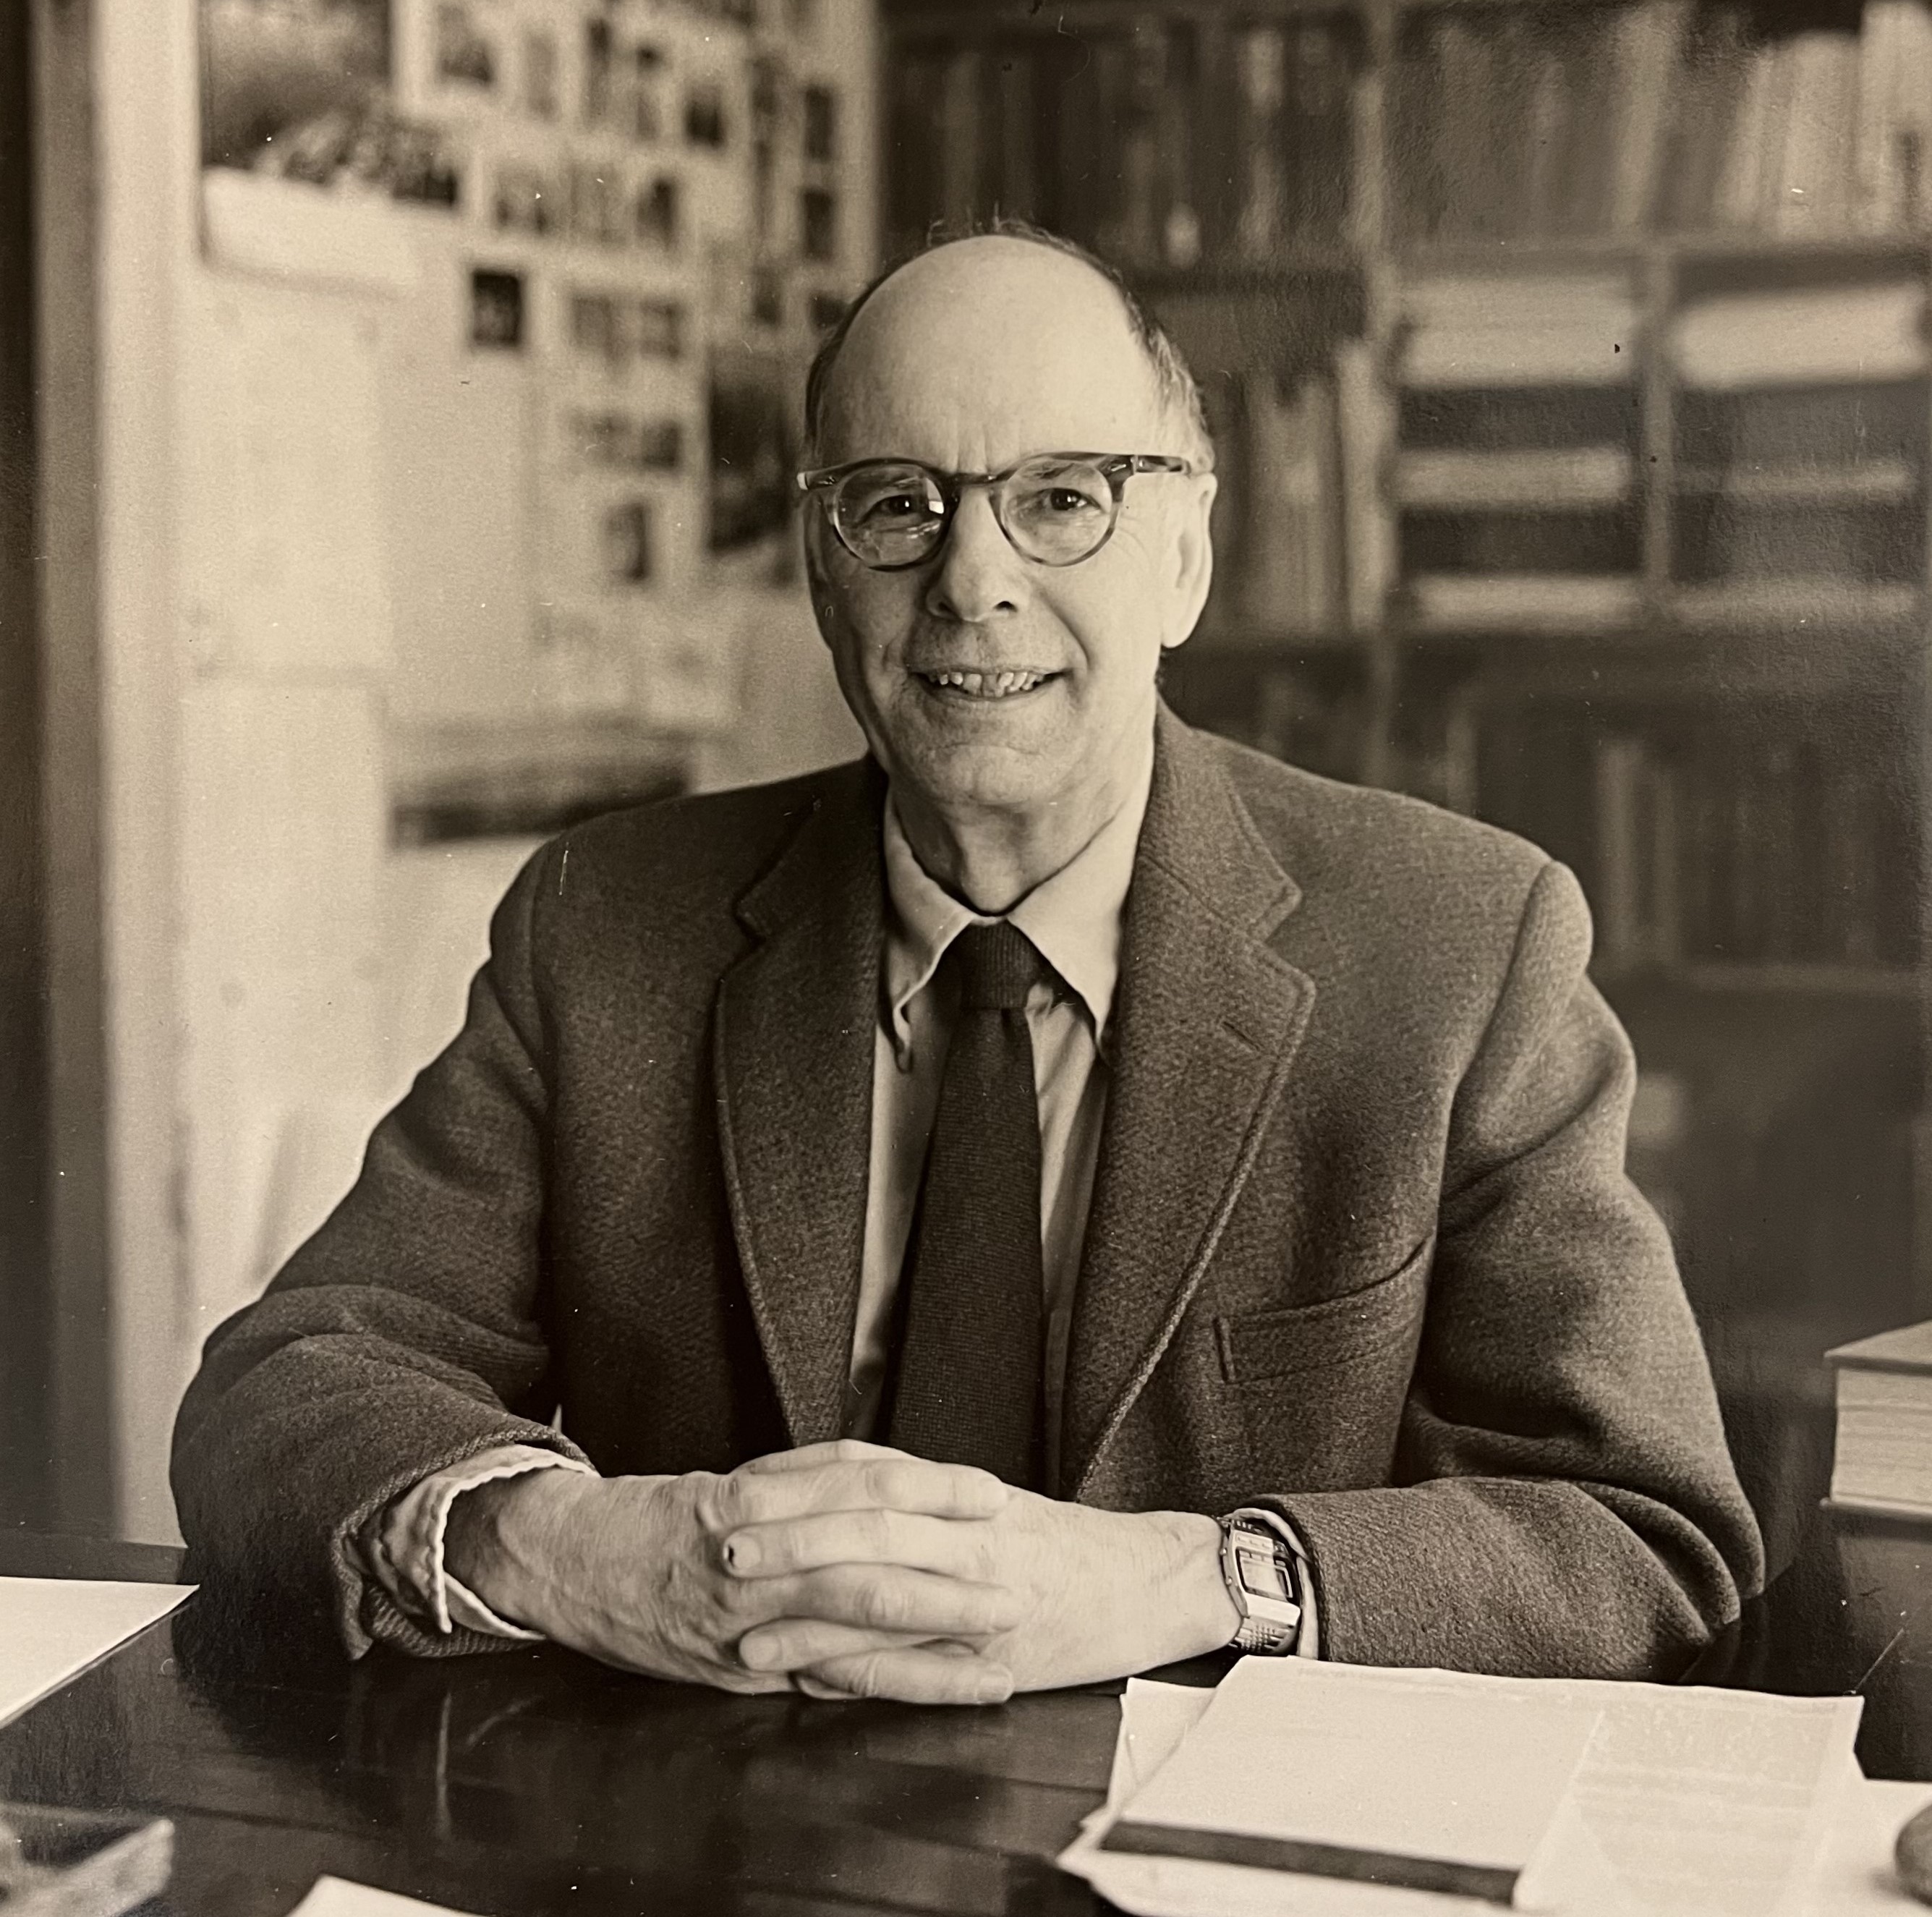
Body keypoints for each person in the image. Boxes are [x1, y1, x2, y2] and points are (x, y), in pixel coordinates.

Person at [171, 226, 1762, 1705]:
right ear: (818, 566)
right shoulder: (607, 927)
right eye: (896, 503)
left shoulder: (1459, 943)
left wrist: (1201, 1575)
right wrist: (572, 1545)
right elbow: (289, 1383)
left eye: (1062, 497)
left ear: (1185, 556)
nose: (972, 579)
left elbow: (1642, 1532)